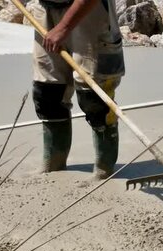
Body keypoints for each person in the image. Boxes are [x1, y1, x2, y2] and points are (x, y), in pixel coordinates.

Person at [31, 0, 125, 179]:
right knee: (48, 91)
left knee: (94, 97)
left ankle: (104, 170)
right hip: (45, 8)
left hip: (90, 11)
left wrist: (64, 27)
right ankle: (53, 164)